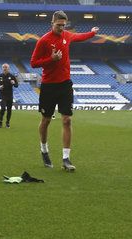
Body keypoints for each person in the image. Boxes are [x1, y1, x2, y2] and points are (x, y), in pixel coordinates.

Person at [29, 11, 99, 172]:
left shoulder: (67, 35)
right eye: (58, 25)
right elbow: (33, 63)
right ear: (51, 24)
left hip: (65, 85)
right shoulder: (44, 41)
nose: (61, 28)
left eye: (63, 25)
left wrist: (92, 33)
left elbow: (80, 37)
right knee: (46, 120)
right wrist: (50, 60)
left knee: (67, 120)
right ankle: (44, 149)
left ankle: (66, 158)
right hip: (48, 86)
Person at [0, 63, 19, 128]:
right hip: (2, 95)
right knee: (3, 108)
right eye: (4, 67)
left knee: (9, 109)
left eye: (6, 67)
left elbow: (16, 85)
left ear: (8, 68)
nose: (5, 68)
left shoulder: (12, 76)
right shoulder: (0, 76)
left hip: (9, 95)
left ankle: (7, 122)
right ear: (2, 68)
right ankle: (0, 121)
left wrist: (14, 83)